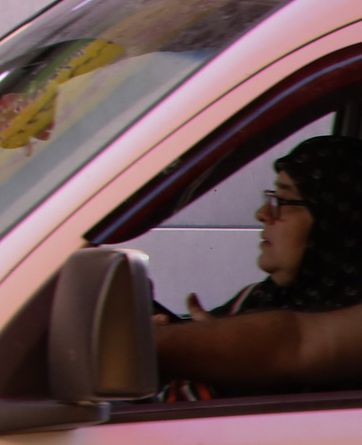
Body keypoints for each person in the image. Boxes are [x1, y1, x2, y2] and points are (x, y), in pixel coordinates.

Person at [154, 135, 362, 394]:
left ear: (336, 219)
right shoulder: (258, 297)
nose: (262, 213)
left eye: (283, 201)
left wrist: (150, 343)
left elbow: (294, 343)